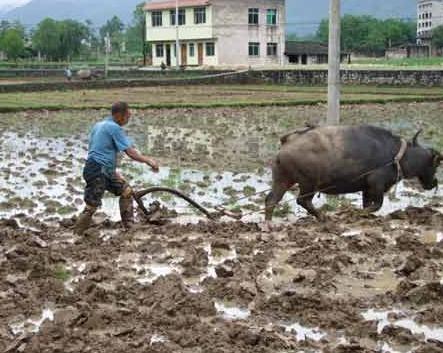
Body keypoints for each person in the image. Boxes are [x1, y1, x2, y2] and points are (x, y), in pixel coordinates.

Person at [74, 102, 159, 235]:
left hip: (100, 168)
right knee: (92, 206)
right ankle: (76, 235)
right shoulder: (114, 128)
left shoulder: (99, 125)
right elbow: (130, 152)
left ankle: (129, 226)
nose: (128, 119)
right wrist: (148, 161)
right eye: (127, 116)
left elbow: (97, 149)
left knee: (126, 191)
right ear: (120, 115)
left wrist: (112, 172)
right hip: (97, 170)